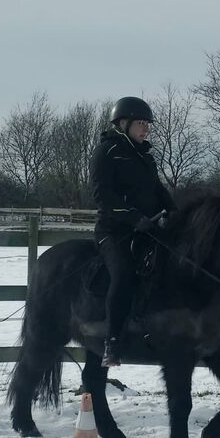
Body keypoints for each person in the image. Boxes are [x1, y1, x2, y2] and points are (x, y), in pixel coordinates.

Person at [90, 96, 175, 367]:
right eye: (141, 124)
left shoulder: (145, 156)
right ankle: (112, 341)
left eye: (147, 124)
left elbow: (157, 191)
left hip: (147, 229)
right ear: (123, 123)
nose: (146, 129)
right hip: (114, 231)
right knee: (123, 273)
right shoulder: (106, 152)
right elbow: (103, 196)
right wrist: (134, 217)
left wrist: (176, 212)